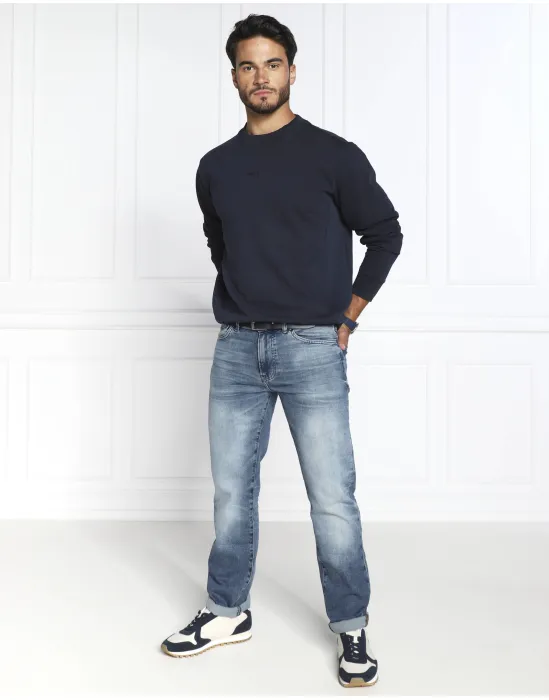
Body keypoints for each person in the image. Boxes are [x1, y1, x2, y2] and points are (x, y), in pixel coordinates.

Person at [161, 13, 403, 689]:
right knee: (231, 493)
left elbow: (385, 234)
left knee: (331, 497)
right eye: (248, 65)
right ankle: (226, 611)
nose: (260, 77)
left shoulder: (334, 156)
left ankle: (350, 624)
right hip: (237, 349)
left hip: (312, 348)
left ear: (292, 71)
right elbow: (222, 244)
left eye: (272, 64)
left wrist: (347, 317)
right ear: (234, 76)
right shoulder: (215, 167)